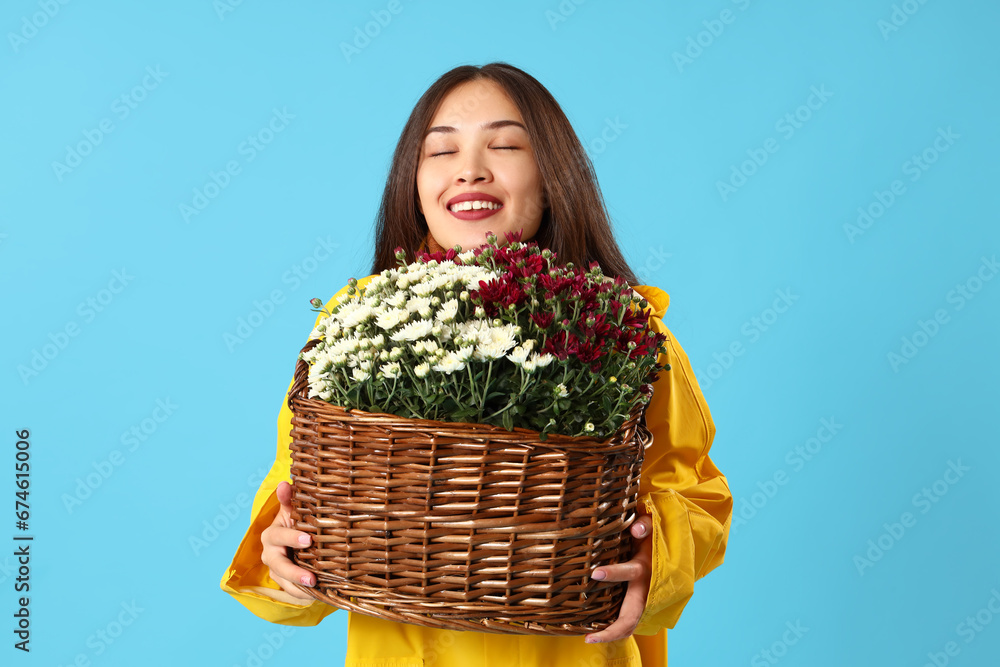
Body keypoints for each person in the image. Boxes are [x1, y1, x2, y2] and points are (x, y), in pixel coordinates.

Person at [220, 62, 732, 667]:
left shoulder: (616, 329)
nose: (470, 168)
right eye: (441, 151)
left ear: (553, 176)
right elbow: (299, 490)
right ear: (413, 181)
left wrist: (659, 559)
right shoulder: (351, 326)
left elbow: (693, 490)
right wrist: (284, 554)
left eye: (507, 144)